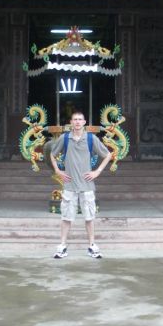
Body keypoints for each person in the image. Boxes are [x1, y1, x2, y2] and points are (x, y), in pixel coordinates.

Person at [49, 110, 112, 259]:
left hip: (87, 185)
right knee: (66, 218)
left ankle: (91, 245)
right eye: (75, 119)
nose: (77, 122)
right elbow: (52, 154)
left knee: (89, 218)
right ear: (71, 122)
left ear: (84, 123)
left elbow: (108, 154)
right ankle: (62, 246)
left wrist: (97, 171)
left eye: (80, 119)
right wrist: (58, 170)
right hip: (70, 185)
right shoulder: (65, 138)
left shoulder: (91, 138)